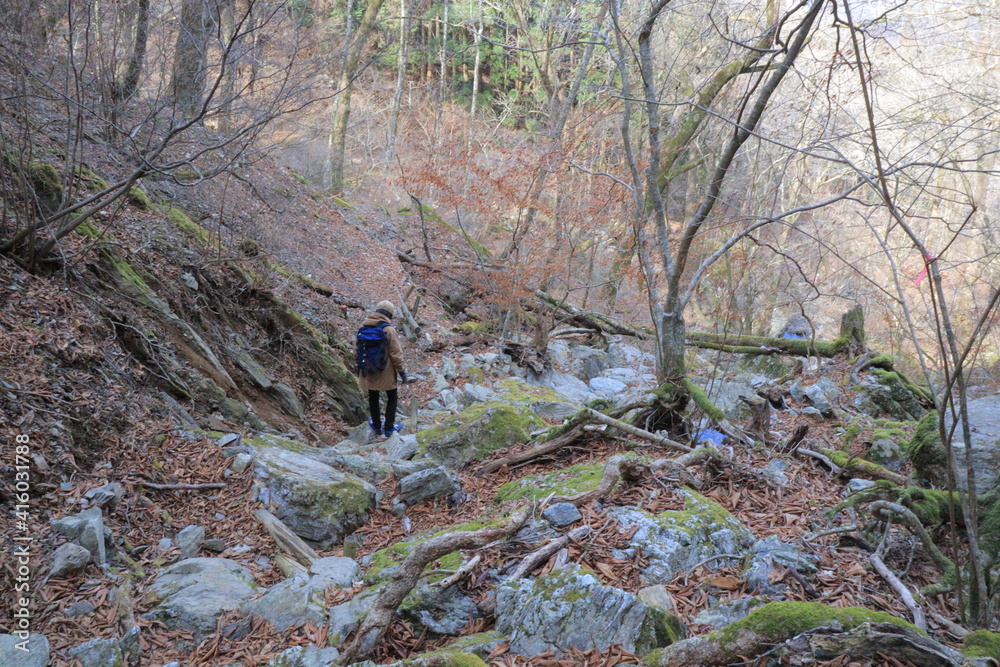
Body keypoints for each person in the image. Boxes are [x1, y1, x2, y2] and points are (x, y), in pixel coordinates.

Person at [357, 300, 407, 437]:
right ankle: (389, 427)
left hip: (368, 369)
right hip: (385, 371)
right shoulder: (389, 330)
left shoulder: (363, 327)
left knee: (373, 396)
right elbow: (396, 353)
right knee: (392, 396)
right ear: (389, 314)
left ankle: (377, 426)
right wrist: (402, 372)